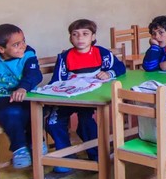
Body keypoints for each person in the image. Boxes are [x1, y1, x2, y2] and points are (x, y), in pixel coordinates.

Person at [0, 23, 57, 169]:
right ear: (1, 49)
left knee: (38, 109)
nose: (23, 46)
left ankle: (36, 142)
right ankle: (19, 149)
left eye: (23, 41)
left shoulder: (28, 55)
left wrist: (22, 88)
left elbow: (34, 74)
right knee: (13, 112)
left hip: (25, 95)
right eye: (16, 44)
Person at [47, 19, 126, 168]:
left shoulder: (102, 53)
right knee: (53, 122)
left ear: (93, 37)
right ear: (70, 38)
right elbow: (56, 80)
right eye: (75, 34)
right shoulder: (65, 57)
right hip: (69, 98)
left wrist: (109, 73)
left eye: (85, 34)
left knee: (86, 121)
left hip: (91, 98)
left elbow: (120, 68)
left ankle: (97, 155)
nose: (80, 38)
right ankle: (65, 156)